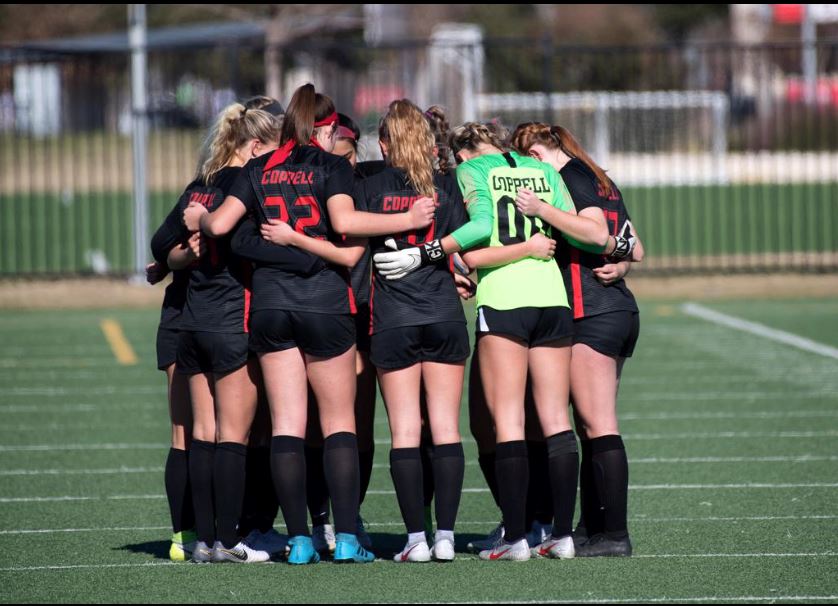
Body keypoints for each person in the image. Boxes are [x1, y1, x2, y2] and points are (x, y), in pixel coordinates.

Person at [183, 83, 435, 565]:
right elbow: (346, 222)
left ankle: (298, 539)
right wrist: (409, 216)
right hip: (324, 300)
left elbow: (220, 228)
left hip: (271, 306)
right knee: (340, 423)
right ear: (319, 128)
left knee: (287, 425)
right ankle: (344, 537)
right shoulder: (333, 166)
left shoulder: (258, 169)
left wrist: (199, 215)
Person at [374, 121, 609, 561]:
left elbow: (475, 241)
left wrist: (432, 253)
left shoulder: (472, 171)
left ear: (467, 153)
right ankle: (561, 534)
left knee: (508, 423)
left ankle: (516, 537)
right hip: (552, 299)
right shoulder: (543, 171)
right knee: (557, 419)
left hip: (504, 299)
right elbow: (573, 229)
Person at [511, 122, 643, 557]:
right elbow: (634, 248)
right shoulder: (597, 175)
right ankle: (591, 528)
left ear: (535, 154)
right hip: (614, 306)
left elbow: (594, 233)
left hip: (595, 311)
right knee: (589, 426)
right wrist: (621, 266)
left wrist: (540, 209)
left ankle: (615, 534)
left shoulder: (568, 178)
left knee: (598, 423)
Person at [357, 99, 470, 562]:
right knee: (446, 428)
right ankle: (445, 535)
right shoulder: (446, 185)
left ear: (383, 144)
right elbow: (463, 242)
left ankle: (415, 541)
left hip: (393, 318)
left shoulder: (368, 184)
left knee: (404, 431)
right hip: (443, 313)